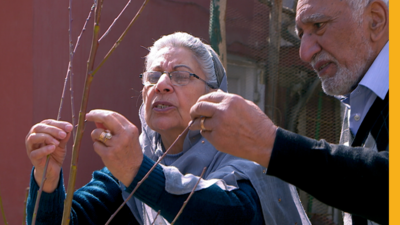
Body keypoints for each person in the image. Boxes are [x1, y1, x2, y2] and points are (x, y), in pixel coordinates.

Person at [25, 32, 310, 225]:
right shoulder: (134, 160)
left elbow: (231, 214)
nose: (161, 84)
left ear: (212, 95)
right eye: (153, 75)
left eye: (181, 75)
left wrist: (139, 172)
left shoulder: (245, 151)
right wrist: (47, 183)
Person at [189, 0, 388, 224]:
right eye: (301, 33)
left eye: (319, 26)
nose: (304, 52)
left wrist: (268, 143)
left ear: (375, 19)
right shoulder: (358, 94)